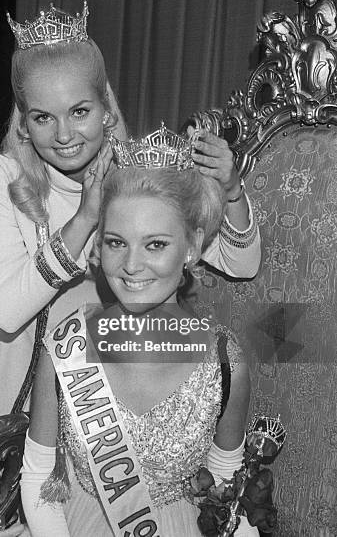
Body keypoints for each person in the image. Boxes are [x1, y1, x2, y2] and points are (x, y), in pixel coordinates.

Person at [0, 1, 260, 428]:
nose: (65, 135)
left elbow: (242, 263)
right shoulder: (3, 176)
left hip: (116, 392)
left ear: (105, 109)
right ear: (23, 123)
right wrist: (85, 219)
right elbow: (4, 311)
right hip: (24, 391)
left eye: (79, 111)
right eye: (42, 118)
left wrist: (233, 190)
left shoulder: (137, 176)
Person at [20, 157, 259, 536]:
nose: (132, 265)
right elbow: (37, 481)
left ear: (192, 246)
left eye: (156, 244)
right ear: (98, 246)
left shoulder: (224, 362)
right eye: (117, 242)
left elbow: (227, 481)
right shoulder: (66, 348)